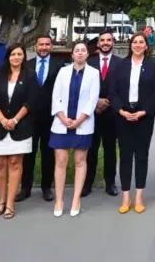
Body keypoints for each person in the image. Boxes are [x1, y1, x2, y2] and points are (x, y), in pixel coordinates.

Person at [109, 33, 155, 214]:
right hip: (123, 116)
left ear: (146, 46)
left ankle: (139, 196)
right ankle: (126, 197)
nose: (138, 45)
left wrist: (144, 112)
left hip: (144, 117)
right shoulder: (120, 66)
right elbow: (113, 92)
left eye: (141, 42)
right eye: (135, 42)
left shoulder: (154, 67)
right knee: (125, 157)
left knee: (141, 156)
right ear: (130, 45)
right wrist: (121, 111)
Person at [49, 40, 100, 217]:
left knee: (80, 161)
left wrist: (78, 121)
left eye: (83, 50)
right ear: (72, 55)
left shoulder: (94, 74)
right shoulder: (63, 72)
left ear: (87, 54)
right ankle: (59, 199)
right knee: (61, 161)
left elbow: (92, 100)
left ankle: (76, 199)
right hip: (61, 123)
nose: (79, 53)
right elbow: (55, 97)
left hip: (82, 124)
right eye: (76, 50)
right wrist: (63, 118)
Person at [0, 44, 36, 220]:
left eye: (19, 54)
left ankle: (10, 203)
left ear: (23, 57)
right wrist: (2, 120)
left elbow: (31, 101)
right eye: (13, 54)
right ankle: (0, 201)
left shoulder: (30, 75)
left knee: (15, 162)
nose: (16, 57)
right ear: (8, 57)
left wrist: (14, 120)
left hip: (20, 125)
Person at [17, 35, 63, 203]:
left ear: (51, 46)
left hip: (51, 117)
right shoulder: (26, 65)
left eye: (47, 44)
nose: (43, 47)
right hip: (29, 116)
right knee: (28, 152)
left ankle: (46, 187)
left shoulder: (59, 66)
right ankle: (25, 188)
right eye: (41, 44)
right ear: (35, 47)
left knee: (48, 153)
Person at [86, 29, 120, 197]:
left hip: (112, 113)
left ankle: (110, 183)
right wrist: (95, 103)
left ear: (113, 43)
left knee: (110, 150)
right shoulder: (89, 62)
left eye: (109, 40)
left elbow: (122, 89)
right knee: (90, 149)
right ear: (98, 43)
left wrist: (108, 102)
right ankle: (87, 183)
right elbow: (84, 88)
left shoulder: (120, 63)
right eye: (102, 40)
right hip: (91, 113)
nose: (105, 43)